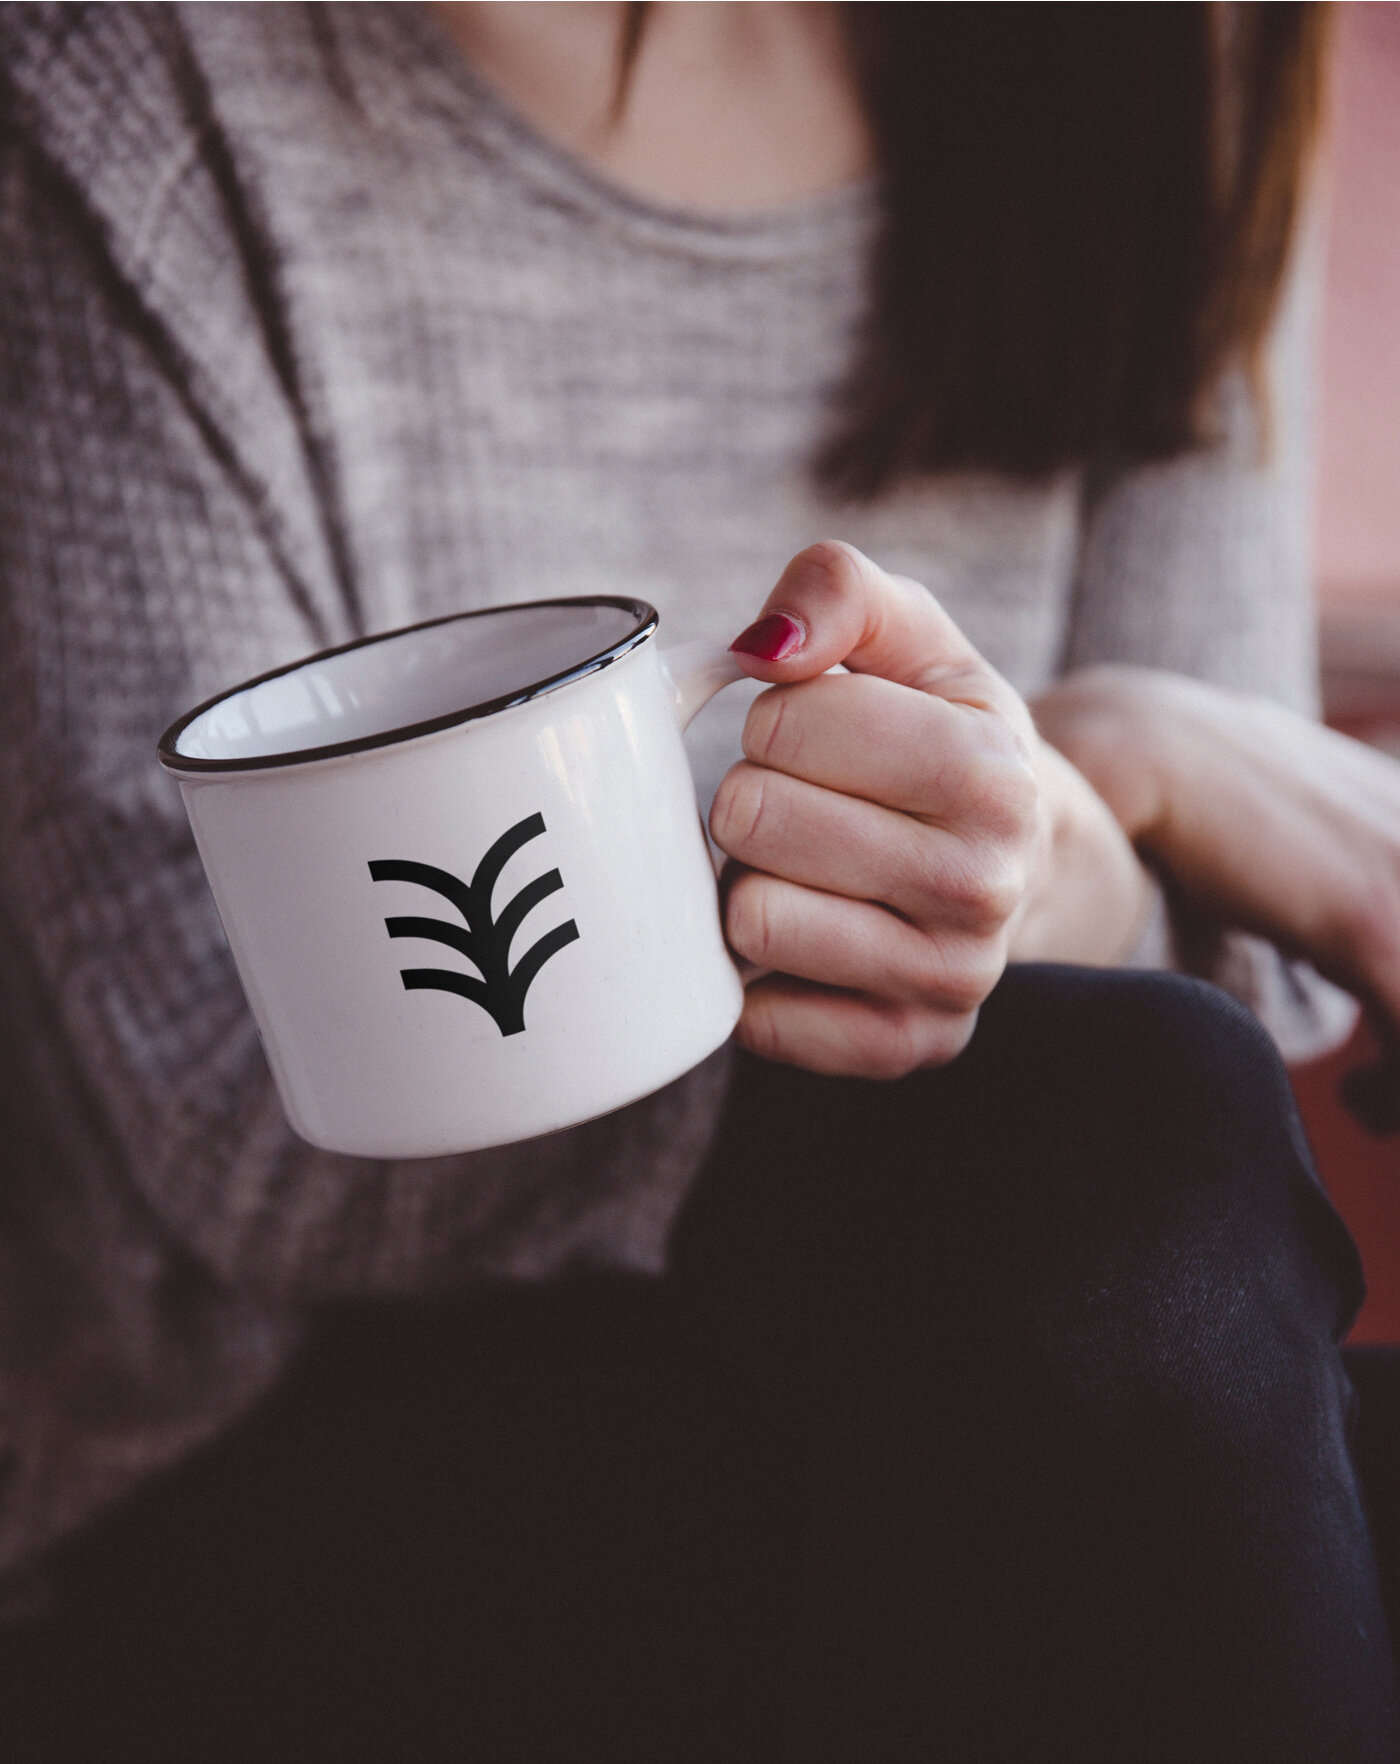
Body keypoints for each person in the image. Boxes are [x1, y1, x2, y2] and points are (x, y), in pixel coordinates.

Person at [1, 2, 1398, 1757]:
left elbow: (1205, 996)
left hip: (993, 1288)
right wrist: (1079, 805)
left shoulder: (1158, 52)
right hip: (261, 1454)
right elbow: (235, 1125)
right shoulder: (121, 87)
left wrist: (1071, 814)